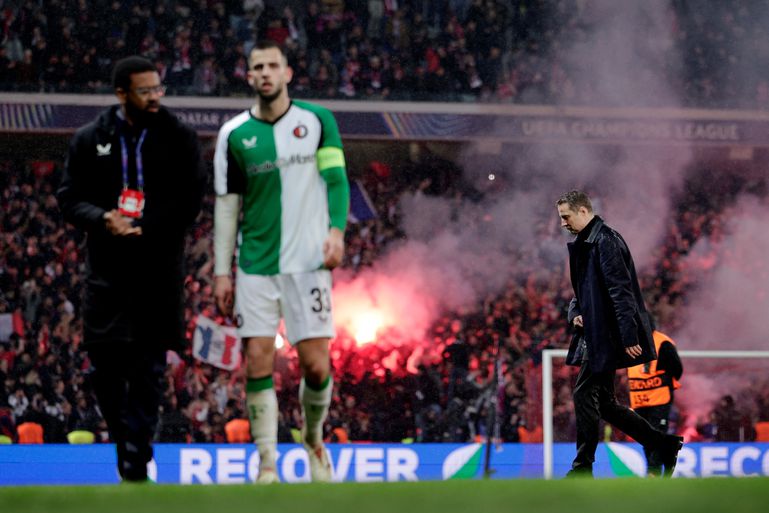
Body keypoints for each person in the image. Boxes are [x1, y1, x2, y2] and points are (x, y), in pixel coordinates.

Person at [57, 56, 204, 482]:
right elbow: (69, 198)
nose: (155, 97)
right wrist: (104, 218)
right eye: (145, 91)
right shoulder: (90, 139)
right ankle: (130, 446)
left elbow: (191, 200)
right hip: (107, 273)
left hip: (158, 272)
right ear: (122, 93)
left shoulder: (178, 137)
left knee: (148, 371)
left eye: (159, 88)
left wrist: (145, 226)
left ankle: (134, 465)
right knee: (105, 370)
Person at [213, 40, 349, 483]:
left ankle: (312, 438)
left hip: (308, 263)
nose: (266, 73)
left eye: (274, 65)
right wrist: (220, 269)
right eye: (258, 67)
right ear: (249, 76)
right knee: (256, 360)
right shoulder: (234, 135)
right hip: (254, 265)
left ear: (287, 73)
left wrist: (336, 231)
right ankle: (266, 461)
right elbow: (227, 206)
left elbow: (336, 181)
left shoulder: (317, 121)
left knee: (316, 365)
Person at [556, 190, 683, 478]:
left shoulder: (606, 241)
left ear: (583, 212)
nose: (563, 223)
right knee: (605, 404)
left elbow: (621, 291)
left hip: (607, 335)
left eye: (566, 216)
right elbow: (581, 293)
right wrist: (573, 313)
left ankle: (582, 467)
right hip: (595, 333)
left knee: (583, 394)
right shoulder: (585, 242)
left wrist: (629, 336)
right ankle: (663, 444)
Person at [627, 328, 683, 476]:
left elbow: (677, 368)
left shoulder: (663, 343)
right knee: (645, 434)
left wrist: (663, 382)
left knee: (656, 431)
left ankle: (653, 471)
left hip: (659, 397)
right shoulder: (628, 338)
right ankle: (662, 458)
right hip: (639, 398)